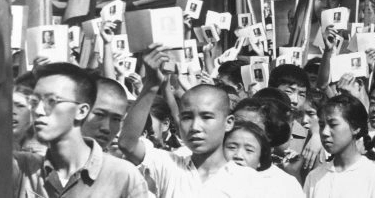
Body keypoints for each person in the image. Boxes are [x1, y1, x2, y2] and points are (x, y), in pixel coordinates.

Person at [118, 44, 259, 197]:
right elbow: (128, 144)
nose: (195, 127)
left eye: (206, 117)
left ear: (228, 122)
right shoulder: (170, 166)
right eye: (186, 117)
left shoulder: (248, 181)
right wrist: (151, 84)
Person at [13, 63, 149, 197]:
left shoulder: (123, 177)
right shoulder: (24, 169)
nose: (39, 111)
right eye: (35, 102)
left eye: (52, 101)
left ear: (82, 111)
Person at [304, 94, 375, 198]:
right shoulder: (315, 177)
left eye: (333, 125)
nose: (325, 132)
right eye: (322, 125)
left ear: (355, 128)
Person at [81, 77, 129, 151]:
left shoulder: (116, 162)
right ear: (80, 111)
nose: (106, 128)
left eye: (116, 119)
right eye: (99, 114)